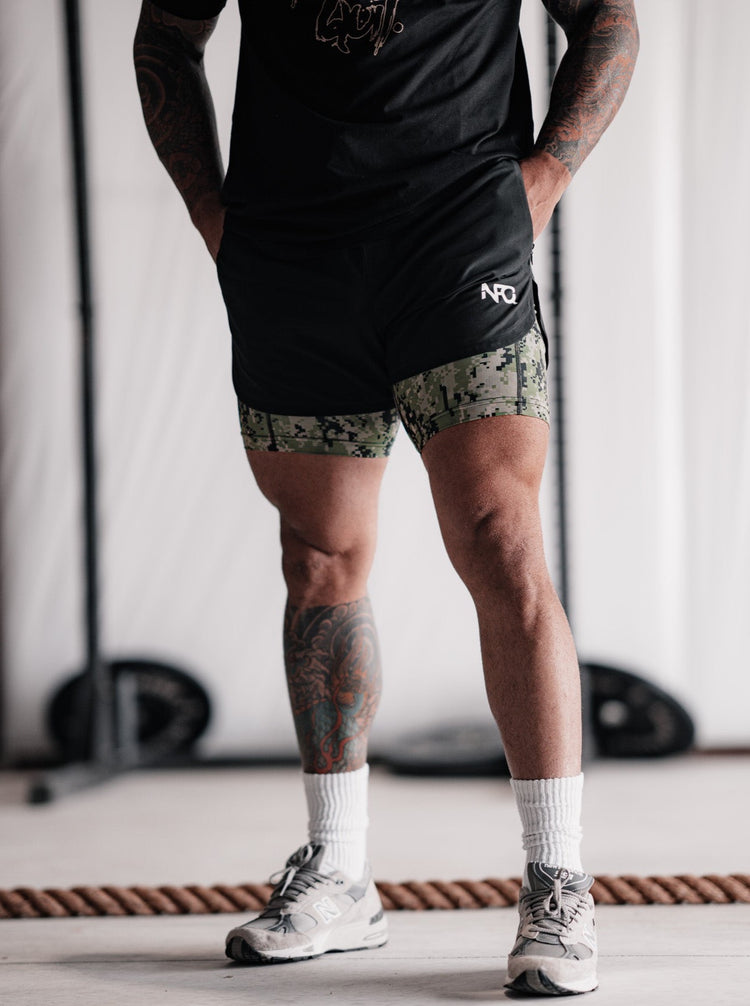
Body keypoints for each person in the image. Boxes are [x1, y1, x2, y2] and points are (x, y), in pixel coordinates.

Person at [134, 0, 638, 995]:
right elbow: (166, 36)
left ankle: (556, 879)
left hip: (456, 237)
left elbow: (606, 19)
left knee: (500, 539)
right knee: (320, 556)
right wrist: (211, 211)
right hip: (291, 253)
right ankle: (338, 873)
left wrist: (547, 174)